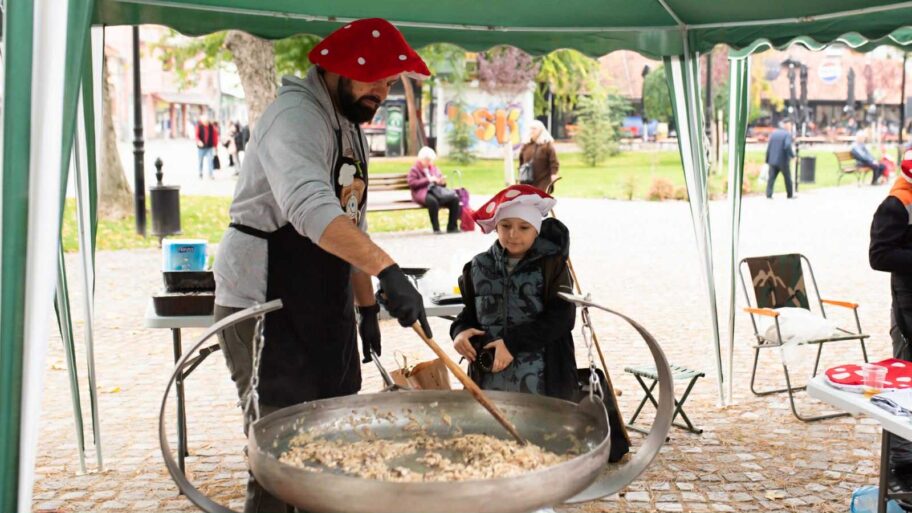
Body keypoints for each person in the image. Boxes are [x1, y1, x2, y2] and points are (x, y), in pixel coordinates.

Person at [212, 18, 432, 512]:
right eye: (373, 79)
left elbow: (349, 223)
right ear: (336, 70)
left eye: (390, 83)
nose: (382, 93)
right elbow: (310, 208)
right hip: (266, 299)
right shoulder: (294, 118)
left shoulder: (348, 125)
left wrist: (367, 308)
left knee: (334, 434)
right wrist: (389, 270)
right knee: (282, 447)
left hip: (322, 297)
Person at [450, 185, 577, 400]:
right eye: (505, 225)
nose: (513, 234)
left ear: (536, 229)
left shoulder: (551, 266)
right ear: (496, 227)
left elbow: (562, 318)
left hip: (542, 383)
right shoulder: (477, 267)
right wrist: (459, 332)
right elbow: (469, 314)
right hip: (489, 383)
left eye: (524, 227)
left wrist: (512, 344)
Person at [870, 153, 912, 484]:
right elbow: (879, 255)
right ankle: (902, 466)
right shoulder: (897, 204)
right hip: (908, 306)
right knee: (904, 383)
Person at [407, 146, 461, 233]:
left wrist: (441, 182)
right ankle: (436, 228)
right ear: (421, 159)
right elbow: (412, 184)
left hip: (436, 191)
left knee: (455, 198)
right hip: (421, 193)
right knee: (433, 202)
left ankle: (452, 227)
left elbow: (441, 182)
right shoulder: (414, 169)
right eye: (427, 160)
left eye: (430, 160)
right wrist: (428, 180)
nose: (429, 162)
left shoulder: (434, 168)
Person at [518, 120, 560, 193]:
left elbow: (554, 161)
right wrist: (520, 175)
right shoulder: (526, 145)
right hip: (527, 180)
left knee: (541, 197)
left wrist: (553, 174)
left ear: (541, 130)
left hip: (543, 179)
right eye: (530, 128)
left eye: (534, 128)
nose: (532, 131)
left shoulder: (547, 145)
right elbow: (521, 161)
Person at [765, 119, 795, 199]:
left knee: (771, 178)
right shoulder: (787, 134)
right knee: (787, 178)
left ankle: (768, 194)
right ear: (786, 125)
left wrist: (767, 159)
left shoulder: (774, 133)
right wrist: (792, 156)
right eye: (790, 125)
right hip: (783, 160)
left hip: (772, 160)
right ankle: (790, 194)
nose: (791, 127)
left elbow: (769, 147)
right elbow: (787, 145)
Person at [195, 112, 217, 179]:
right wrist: (198, 141)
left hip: (209, 147)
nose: (206, 123)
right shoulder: (199, 126)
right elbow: (196, 136)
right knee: (200, 161)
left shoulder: (211, 127)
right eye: (204, 122)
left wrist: (215, 146)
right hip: (201, 148)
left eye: (207, 121)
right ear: (202, 121)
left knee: (210, 161)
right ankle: (200, 173)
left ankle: (211, 174)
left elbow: (214, 137)